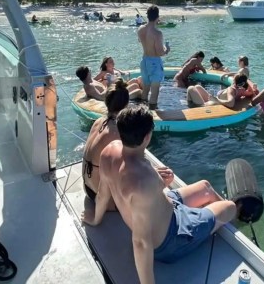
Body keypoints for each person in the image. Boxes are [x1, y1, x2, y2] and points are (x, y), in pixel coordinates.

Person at [81, 106, 236, 283]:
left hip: (166, 207)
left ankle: (207, 219)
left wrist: (95, 219)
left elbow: (102, 194)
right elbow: (140, 242)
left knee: (205, 187)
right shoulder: (145, 182)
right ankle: (215, 225)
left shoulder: (109, 151)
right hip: (170, 241)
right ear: (147, 137)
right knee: (230, 207)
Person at [82, 79, 130, 202]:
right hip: (100, 198)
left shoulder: (98, 122)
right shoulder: (116, 133)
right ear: (126, 105)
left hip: (87, 188)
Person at [137, 6, 170, 110]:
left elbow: (141, 41)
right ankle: (152, 115)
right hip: (154, 63)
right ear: (158, 17)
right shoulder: (157, 33)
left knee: (145, 89)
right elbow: (160, 52)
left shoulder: (140, 29)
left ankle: (141, 112)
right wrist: (167, 49)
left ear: (147, 16)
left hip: (144, 61)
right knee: (154, 92)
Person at [187, 73, 254, 108]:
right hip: (211, 102)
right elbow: (251, 92)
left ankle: (191, 106)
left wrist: (216, 100)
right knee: (197, 87)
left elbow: (231, 104)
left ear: (234, 80)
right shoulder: (241, 90)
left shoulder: (231, 89)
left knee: (191, 88)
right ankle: (191, 103)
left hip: (206, 106)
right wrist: (247, 80)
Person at [76, 66, 142, 101]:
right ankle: (149, 101)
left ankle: (148, 94)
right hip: (112, 98)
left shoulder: (91, 80)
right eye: (89, 70)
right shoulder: (89, 86)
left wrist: (106, 78)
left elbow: (101, 81)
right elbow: (101, 97)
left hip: (114, 92)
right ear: (88, 73)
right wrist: (109, 85)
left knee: (135, 81)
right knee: (138, 91)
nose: (91, 71)